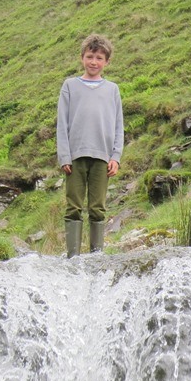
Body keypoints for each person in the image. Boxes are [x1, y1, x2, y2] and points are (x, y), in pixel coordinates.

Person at [56, 34, 124, 257]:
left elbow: (118, 125)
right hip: (75, 157)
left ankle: (96, 257)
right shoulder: (70, 86)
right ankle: (72, 258)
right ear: (82, 58)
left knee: (97, 208)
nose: (94, 62)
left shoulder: (112, 89)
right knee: (74, 206)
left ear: (107, 62)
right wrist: (64, 155)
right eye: (90, 57)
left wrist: (116, 156)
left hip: (102, 157)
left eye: (99, 58)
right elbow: (62, 123)